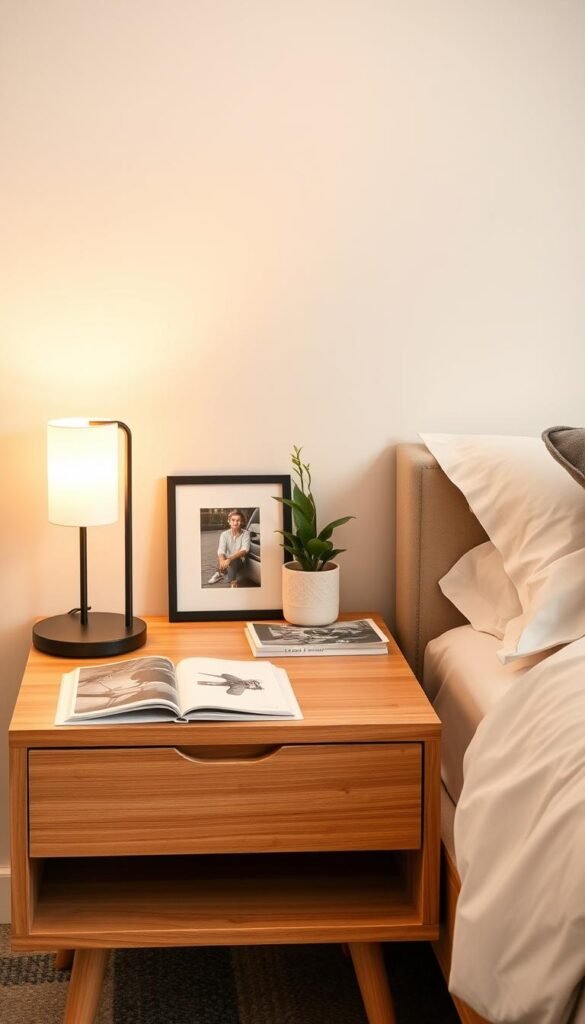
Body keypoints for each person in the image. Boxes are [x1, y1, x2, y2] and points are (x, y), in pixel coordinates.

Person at [207, 509, 251, 588]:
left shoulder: (246, 534)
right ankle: (221, 573)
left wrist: (230, 559)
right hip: (226, 560)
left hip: (240, 561)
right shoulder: (224, 534)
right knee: (222, 556)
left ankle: (231, 581)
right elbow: (221, 550)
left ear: (241, 522)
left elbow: (245, 550)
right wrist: (222, 560)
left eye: (238, 520)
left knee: (233, 561)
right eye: (233, 520)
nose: (235, 523)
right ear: (229, 521)